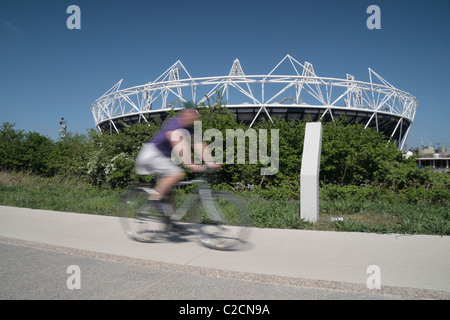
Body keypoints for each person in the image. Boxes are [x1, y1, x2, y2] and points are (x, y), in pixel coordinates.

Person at [136, 101, 219, 209]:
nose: (195, 115)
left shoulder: (190, 128)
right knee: (177, 173)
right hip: (152, 154)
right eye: (192, 112)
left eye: (196, 113)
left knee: (170, 190)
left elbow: (199, 144)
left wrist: (211, 162)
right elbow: (177, 141)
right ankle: (154, 199)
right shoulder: (175, 123)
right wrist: (191, 164)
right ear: (184, 113)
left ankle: (170, 220)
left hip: (162, 157)